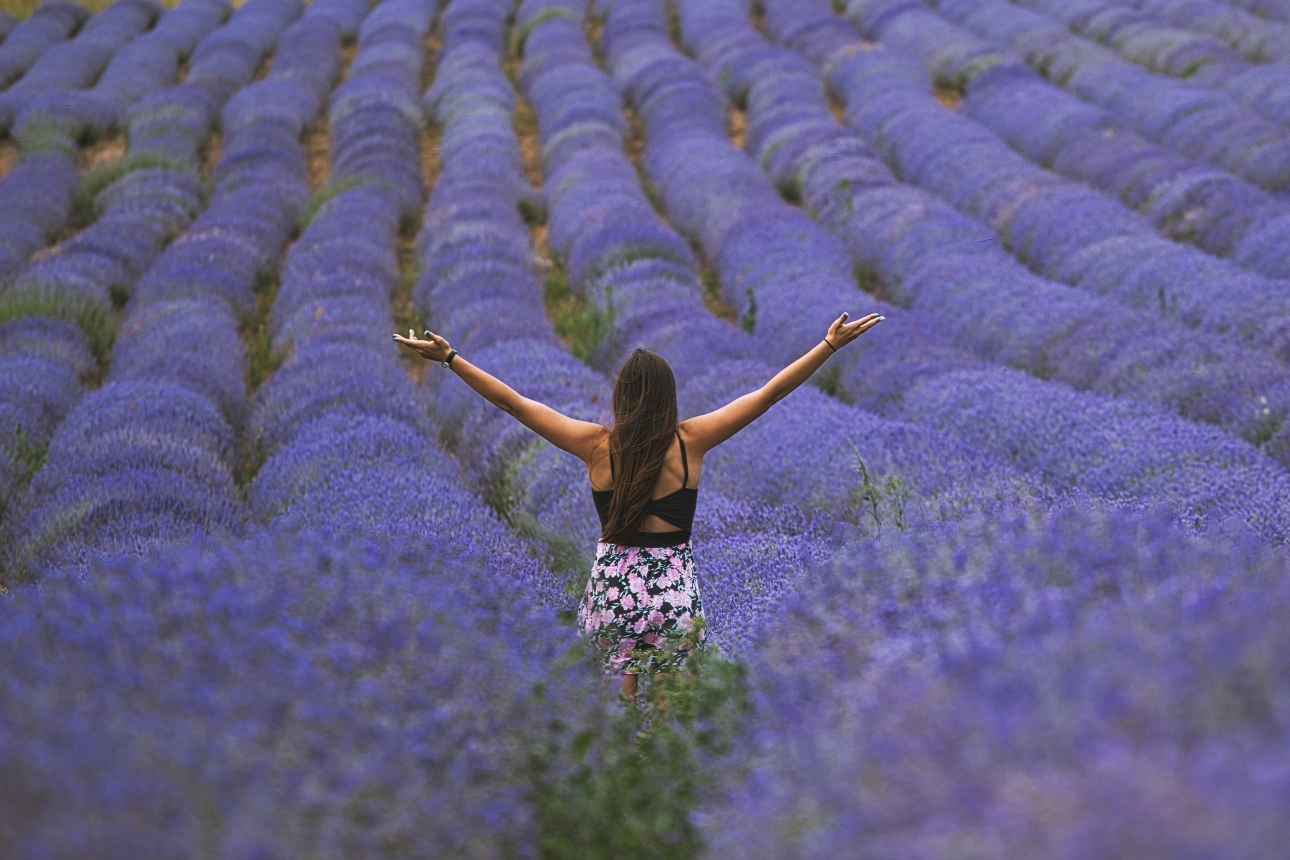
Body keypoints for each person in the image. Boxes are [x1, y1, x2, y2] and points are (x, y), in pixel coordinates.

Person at [395, 311, 884, 695]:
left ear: (622, 397)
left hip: (613, 591)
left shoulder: (595, 445)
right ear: (668, 397)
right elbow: (767, 394)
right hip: (672, 592)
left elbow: (515, 403)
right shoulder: (690, 441)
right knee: (675, 702)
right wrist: (827, 346)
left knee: (619, 701)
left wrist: (450, 358)